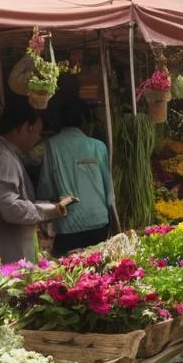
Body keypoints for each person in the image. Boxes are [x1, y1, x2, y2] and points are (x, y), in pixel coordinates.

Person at [0, 101, 69, 263]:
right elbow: (10, 208)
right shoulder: (3, 157)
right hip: (5, 255)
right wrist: (48, 210)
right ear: (24, 127)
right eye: (37, 132)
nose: (38, 138)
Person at [37, 101, 112, 255]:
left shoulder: (51, 145)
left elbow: (46, 188)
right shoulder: (98, 146)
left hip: (69, 224)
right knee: (101, 271)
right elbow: (108, 186)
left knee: (73, 271)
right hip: (99, 220)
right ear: (84, 120)